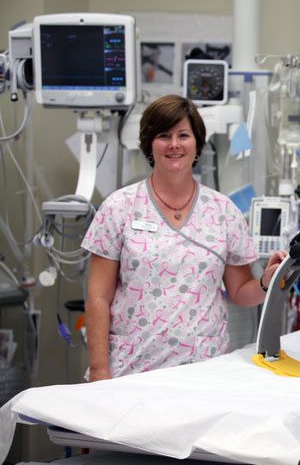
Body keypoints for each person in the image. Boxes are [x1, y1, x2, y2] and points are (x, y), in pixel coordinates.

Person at [82, 94, 285, 382]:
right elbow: (98, 298)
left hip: (202, 371)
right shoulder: (119, 208)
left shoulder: (223, 211)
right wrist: (100, 371)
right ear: (150, 144)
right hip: (131, 370)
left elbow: (240, 292)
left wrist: (268, 281)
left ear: (198, 143)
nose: (174, 144)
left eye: (183, 135)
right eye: (164, 135)